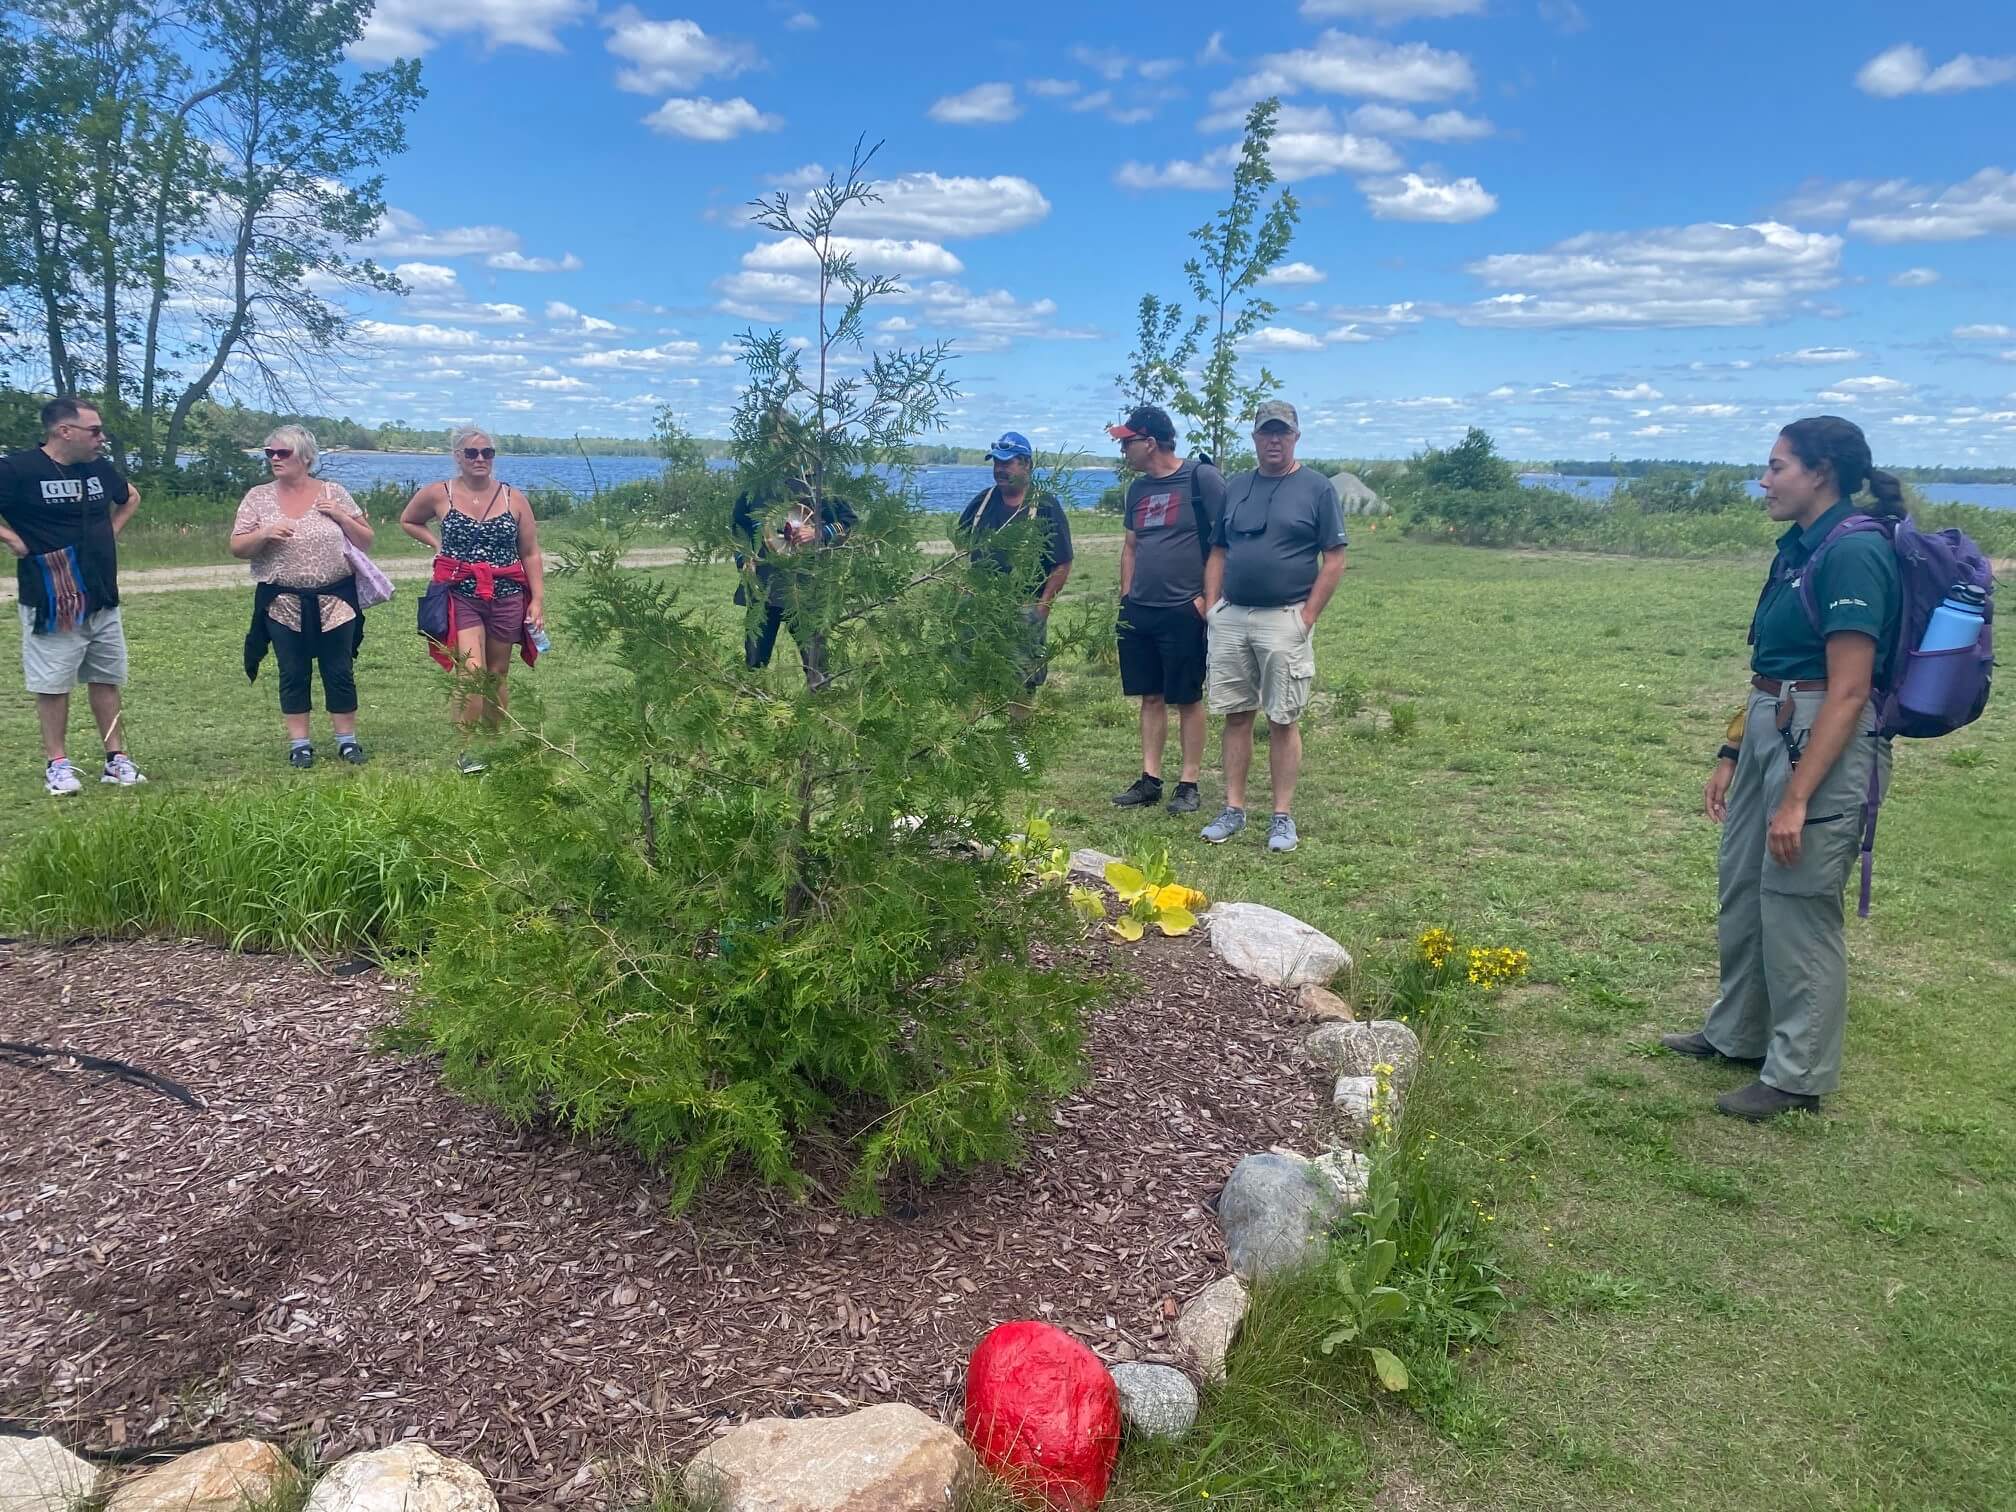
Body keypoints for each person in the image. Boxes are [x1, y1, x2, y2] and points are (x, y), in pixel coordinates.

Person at [1661, 416, 1903, 1121]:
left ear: (1819, 472)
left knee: (1799, 904)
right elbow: (1771, 667)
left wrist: (1797, 799)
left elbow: (1850, 689)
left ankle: (1797, 1074)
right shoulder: (1798, 548)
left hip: (1821, 740)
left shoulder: (1853, 553)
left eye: (1776, 467)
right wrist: (1733, 749)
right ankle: (1737, 1032)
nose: (1764, 481)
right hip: (1772, 723)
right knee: (1744, 887)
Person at [1198, 399, 1347, 853]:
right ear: (1255, 438)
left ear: (1296, 436)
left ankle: (1282, 817)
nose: (1274, 440)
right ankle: (1233, 809)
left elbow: (1335, 558)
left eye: (1282, 432)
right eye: (1266, 432)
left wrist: (1308, 617)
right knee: (1236, 714)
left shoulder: (1317, 488)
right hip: (1233, 616)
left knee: (1283, 717)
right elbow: (1218, 550)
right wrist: (1213, 608)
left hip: (1286, 618)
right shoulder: (1237, 486)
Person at [0, 397, 146, 796]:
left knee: (106, 677)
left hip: (101, 592)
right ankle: (58, 765)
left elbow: (129, 496)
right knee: (53, 684)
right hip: (53, 595)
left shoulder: (97, 468)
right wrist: (13, 539)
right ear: (64, 431)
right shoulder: (19, 470)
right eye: (94, 430)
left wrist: (109, 533)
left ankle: (115, 760)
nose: (102, 438)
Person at [399, 426, 546, 774]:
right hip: (460, 592)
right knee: (471, 672)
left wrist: (537, 599)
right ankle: (466, 750)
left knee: (496, 674)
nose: (480, 459)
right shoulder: (439, 494)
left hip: (506, 593)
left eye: (487, 453)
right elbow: (408, 520)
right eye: (472, 453)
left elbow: (530, 551)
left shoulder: (514, 498)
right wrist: (438, 545)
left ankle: (493, 744)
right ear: (458, 456)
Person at [230, 426, 374, 767]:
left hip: (336, 599)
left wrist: (338, 514)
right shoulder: (258, 497)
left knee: (338, 669)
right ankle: (300, 744)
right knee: (292, 670)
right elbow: (237, 546)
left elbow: (366, 540)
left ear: (306, 458)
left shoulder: (333, 491)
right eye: (270, 453)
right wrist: (264, 534)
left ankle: (347, 741)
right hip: (282, 601)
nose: (275, 459)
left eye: (283, 453)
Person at [1106, 404, 1225, 816]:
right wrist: (1126, 597)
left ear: (1150, 442)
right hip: (1140, 610)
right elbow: (1131, 545)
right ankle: (1150, 779)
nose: (1123, 449)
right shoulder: (1137, 490)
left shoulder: (1200, 479)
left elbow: (1224, 543)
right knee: (1150, 696)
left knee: (1187, 698)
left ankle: (1188, 783)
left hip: (1184, 609)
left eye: (1127, 441)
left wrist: (1207, 599)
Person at [954, 432, 1074, 744]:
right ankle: (967, 741)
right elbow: (960, 545)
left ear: (1026, 465)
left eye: (1007, 463)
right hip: (979, 605)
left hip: (1024, 606)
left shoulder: (1045, 506)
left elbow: (1061, 563)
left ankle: (1018, 745)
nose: (1000, 469)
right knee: (970, 673)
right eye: (996, 462)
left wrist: (1043, 607)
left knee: (1022, 679)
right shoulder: (981, 502)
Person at [731, 475, 857, 688]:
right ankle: (752, 714)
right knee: (754, 666)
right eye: (774, 438)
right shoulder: (758, 482)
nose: (780, 440)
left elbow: (848, 522)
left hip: (805, 589)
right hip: (764, 588)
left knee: (817, 667)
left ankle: (821, 715)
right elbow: (739, 525)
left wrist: (819, 533)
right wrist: (743, 558)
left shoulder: (817, 483)